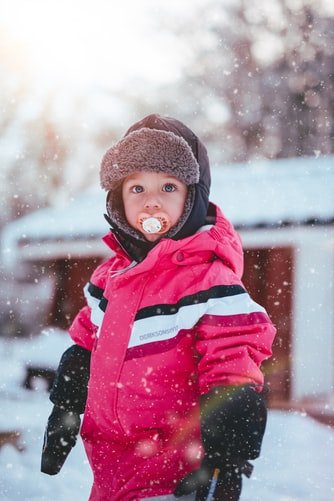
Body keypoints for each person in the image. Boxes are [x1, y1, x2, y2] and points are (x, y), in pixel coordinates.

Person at [41, 114, 276, 501]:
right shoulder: (109, 278)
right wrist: (66, 406)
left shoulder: (209, 282)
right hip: (112, 469)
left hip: (175, 474)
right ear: (117, 199)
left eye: (168, 186)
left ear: (192, 198)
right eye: (137, 187)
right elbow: (87, 343)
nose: (151, 200)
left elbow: (233, 363)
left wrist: (226, 459)